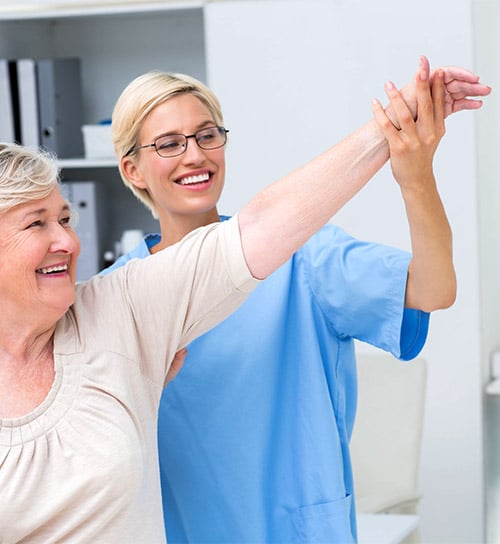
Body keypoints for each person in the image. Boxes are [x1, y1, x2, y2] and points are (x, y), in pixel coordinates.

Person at [100, 57, 491, 542]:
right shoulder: (116, 297)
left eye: (206, 135)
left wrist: (415, 176)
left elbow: (434, 289)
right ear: (132, 169)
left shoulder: (302, 256)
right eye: (169, 144)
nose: (195, 155)